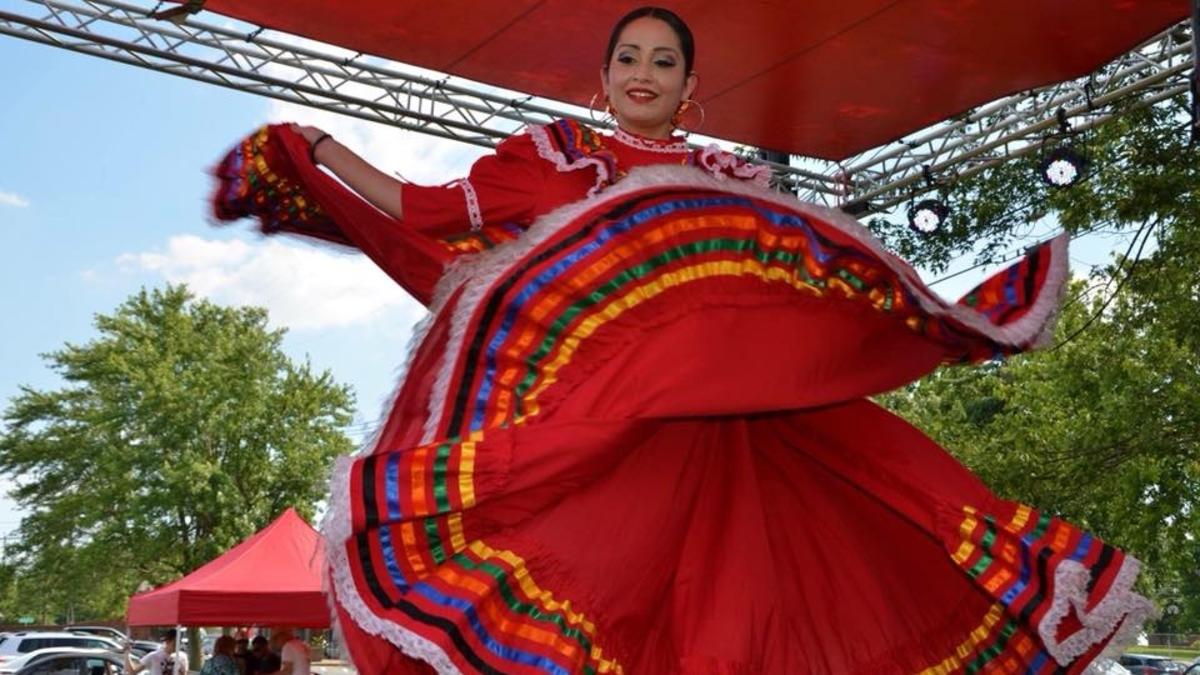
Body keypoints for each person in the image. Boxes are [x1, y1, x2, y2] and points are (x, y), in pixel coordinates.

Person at [212, 6, 1152, 673]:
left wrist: (914, 313)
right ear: (606, 74)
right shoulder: (552, 162)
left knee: (770, 590)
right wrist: (322, 152)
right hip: (609, 432)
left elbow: (787, 291)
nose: (644, 73)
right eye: (630, 56)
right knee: (599, 595)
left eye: (664, 62)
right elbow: (422, 213)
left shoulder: (729, 179)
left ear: (690, 87)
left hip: (738, 429)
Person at [124, 629, 189, 675]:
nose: (177, 647)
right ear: (167, 642)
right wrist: (127, 654)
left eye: (179, 644)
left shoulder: (181, 657)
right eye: (174, 644)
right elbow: (133, 672)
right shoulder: (154, 656)